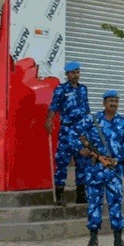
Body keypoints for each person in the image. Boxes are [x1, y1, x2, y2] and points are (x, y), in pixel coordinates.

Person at [81, 90, 124, 246]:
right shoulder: (92, 120)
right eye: (111, 101)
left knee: (115, 203)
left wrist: (119, 159)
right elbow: (74, 135)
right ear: (104, 103)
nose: (114, 104)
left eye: (116, 101)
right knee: (94, 204)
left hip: (114, 171)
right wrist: (85, 150)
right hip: (95, 169)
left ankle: (118, 239)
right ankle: (93, 238)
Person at [45, 62, 91, 205]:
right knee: (62, 161)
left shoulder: (83, 89)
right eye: (73, 73)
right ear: (67, 74)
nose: (76, 75)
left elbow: (87, 110)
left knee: (82, 162)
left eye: (77, 72)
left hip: (81, 131)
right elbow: (54, 107)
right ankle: (59, 195)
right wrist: (49, 120)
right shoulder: (61, 90)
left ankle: (81, 195)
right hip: (67, 130)